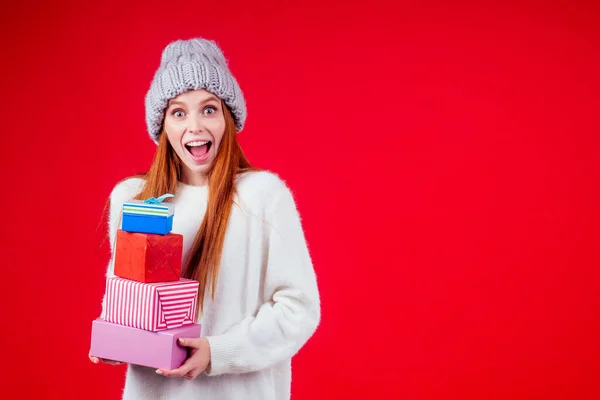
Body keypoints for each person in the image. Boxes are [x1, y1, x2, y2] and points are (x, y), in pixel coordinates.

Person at [88, 37, 321, 400]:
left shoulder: (262, 196)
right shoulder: (133, 201)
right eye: (179, 112)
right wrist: (113, 340)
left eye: (208, 109)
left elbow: (299, 309)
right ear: (163, 126)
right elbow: (124, 299)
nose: (194, 125)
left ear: (228, 118)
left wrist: (217, 350)